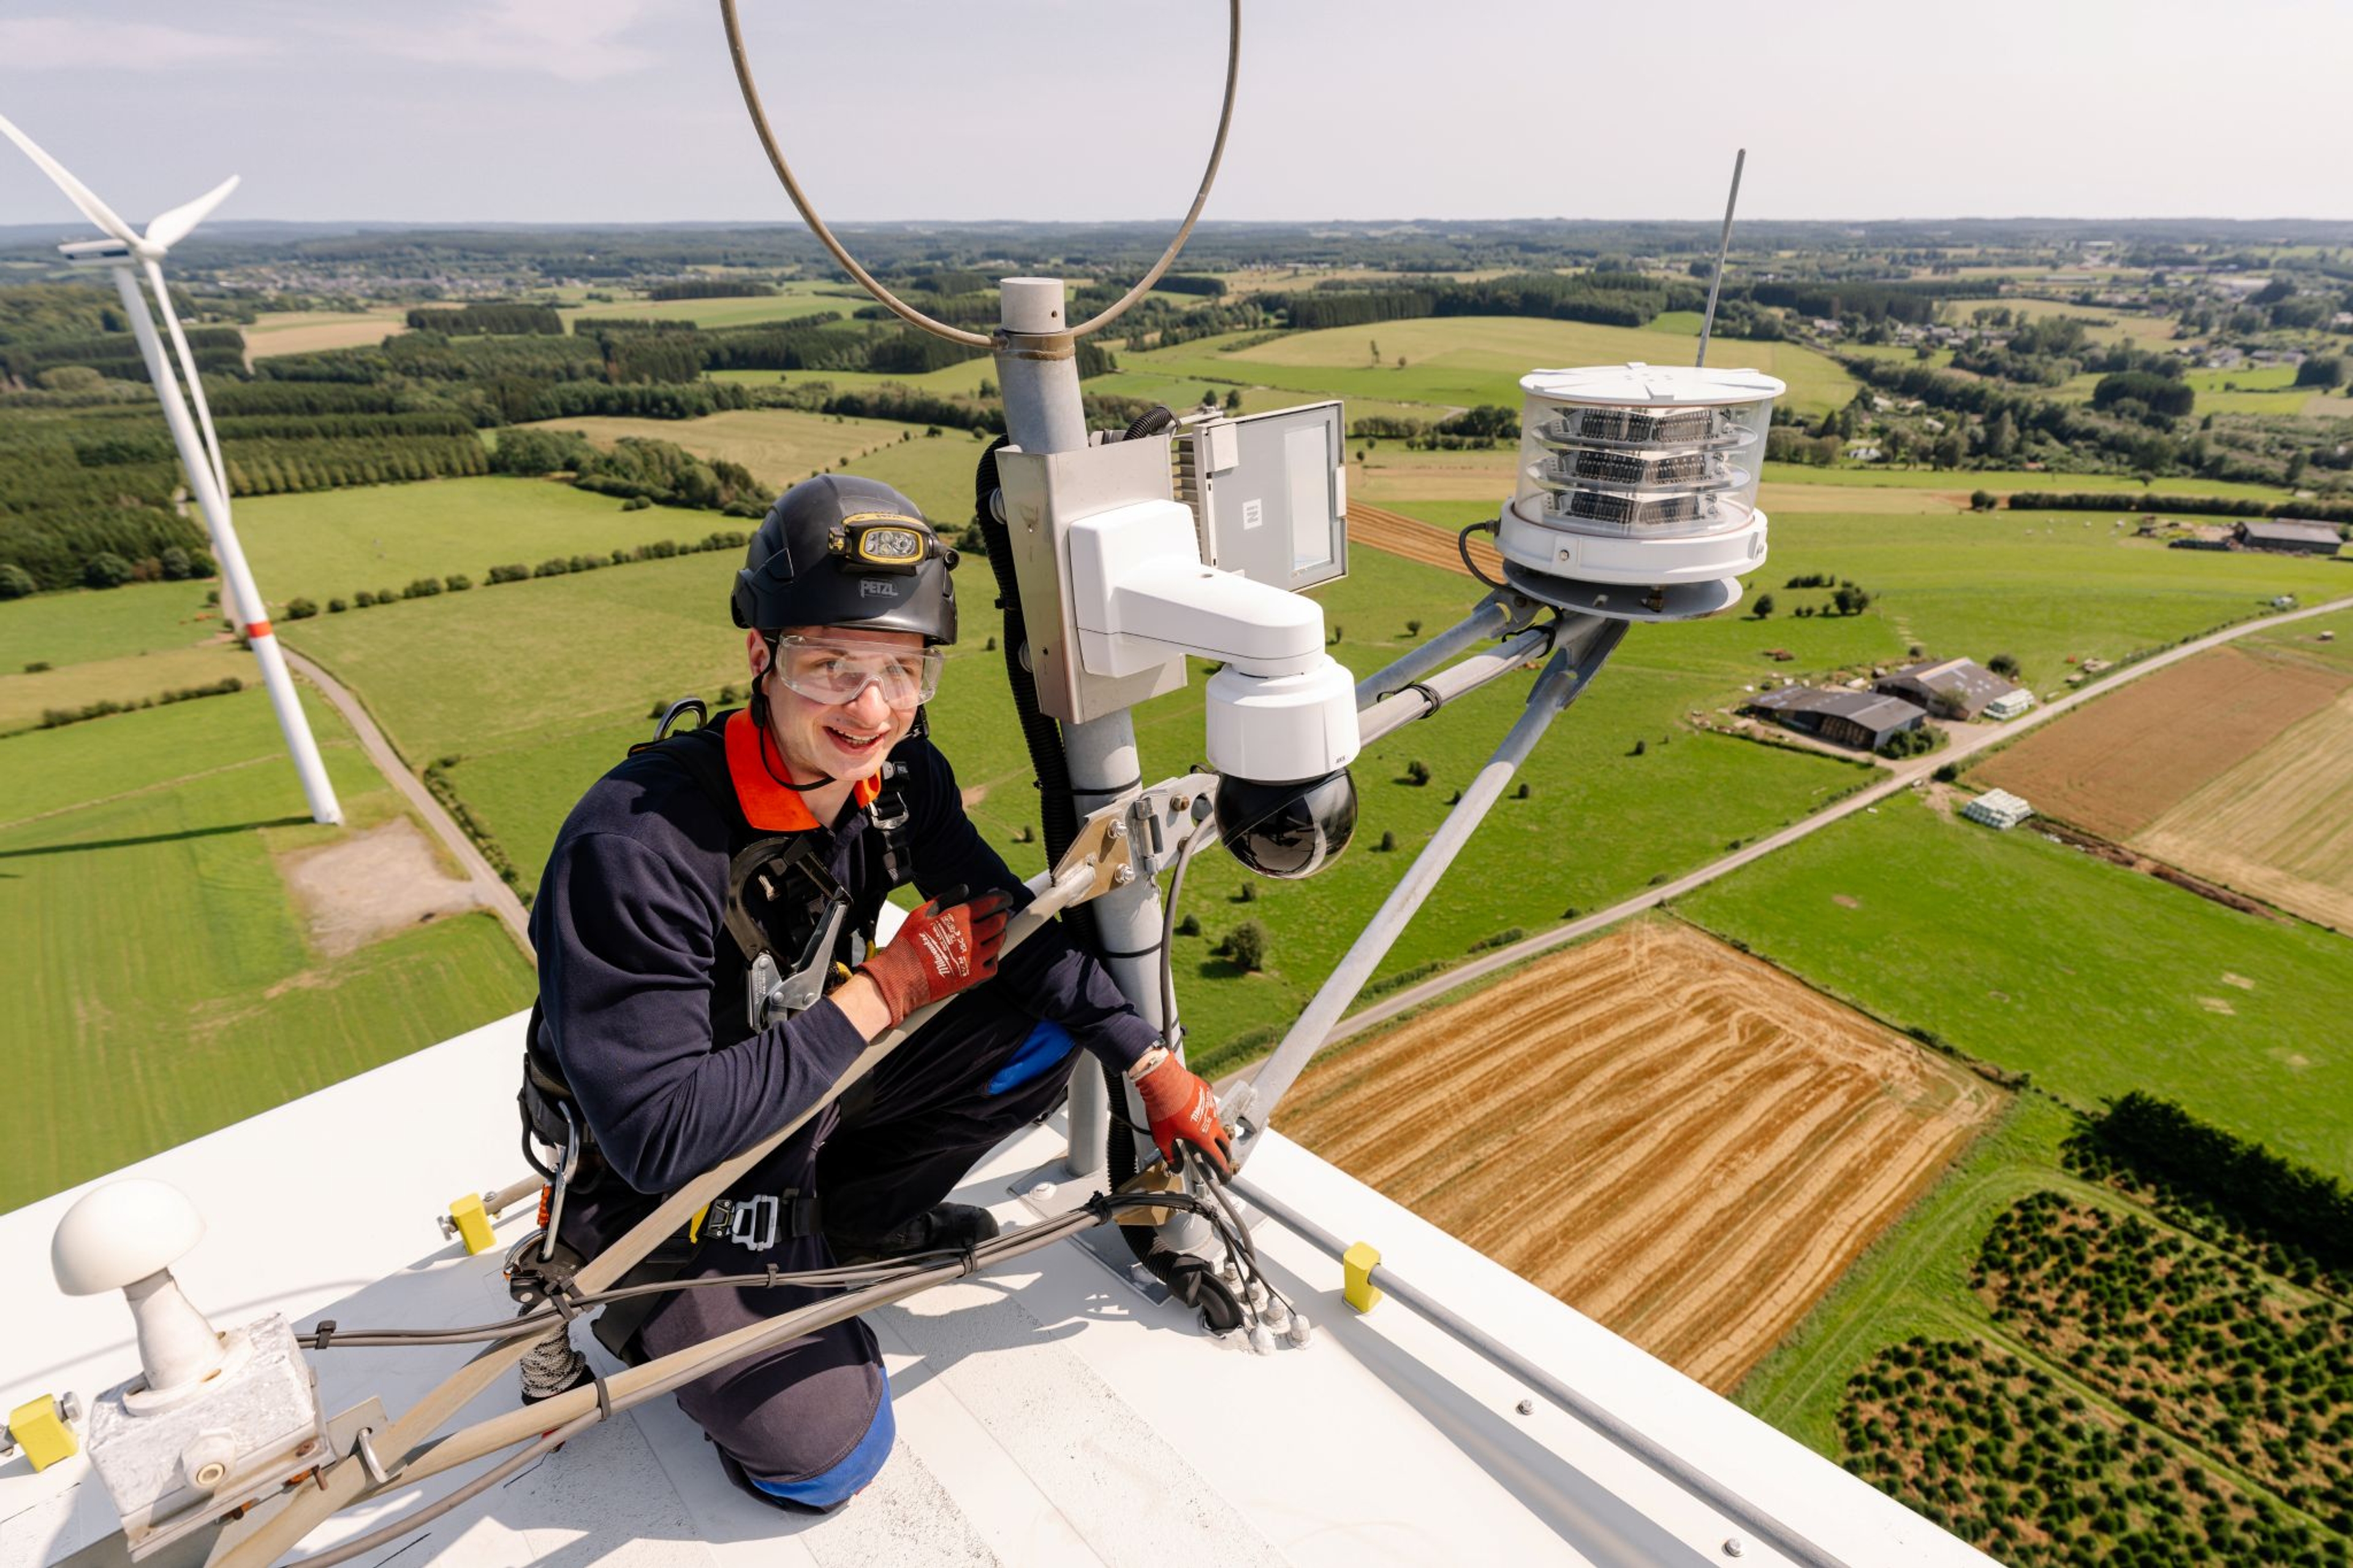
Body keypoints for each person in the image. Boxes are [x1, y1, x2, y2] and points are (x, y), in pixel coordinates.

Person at [526, 474, 1233, 1512]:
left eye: (903, 672)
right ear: (760, 659)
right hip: (659, 1187)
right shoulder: (637, 847)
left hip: (804, 1100)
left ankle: (840, 1228)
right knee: (823, 1458)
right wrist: (888, 989)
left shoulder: (895, 788)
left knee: (1050, 1024)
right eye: (831, 667)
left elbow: (1008, 928)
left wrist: (1149, 1060)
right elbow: (658, 1138)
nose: (871, 711)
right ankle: (770, 1281)